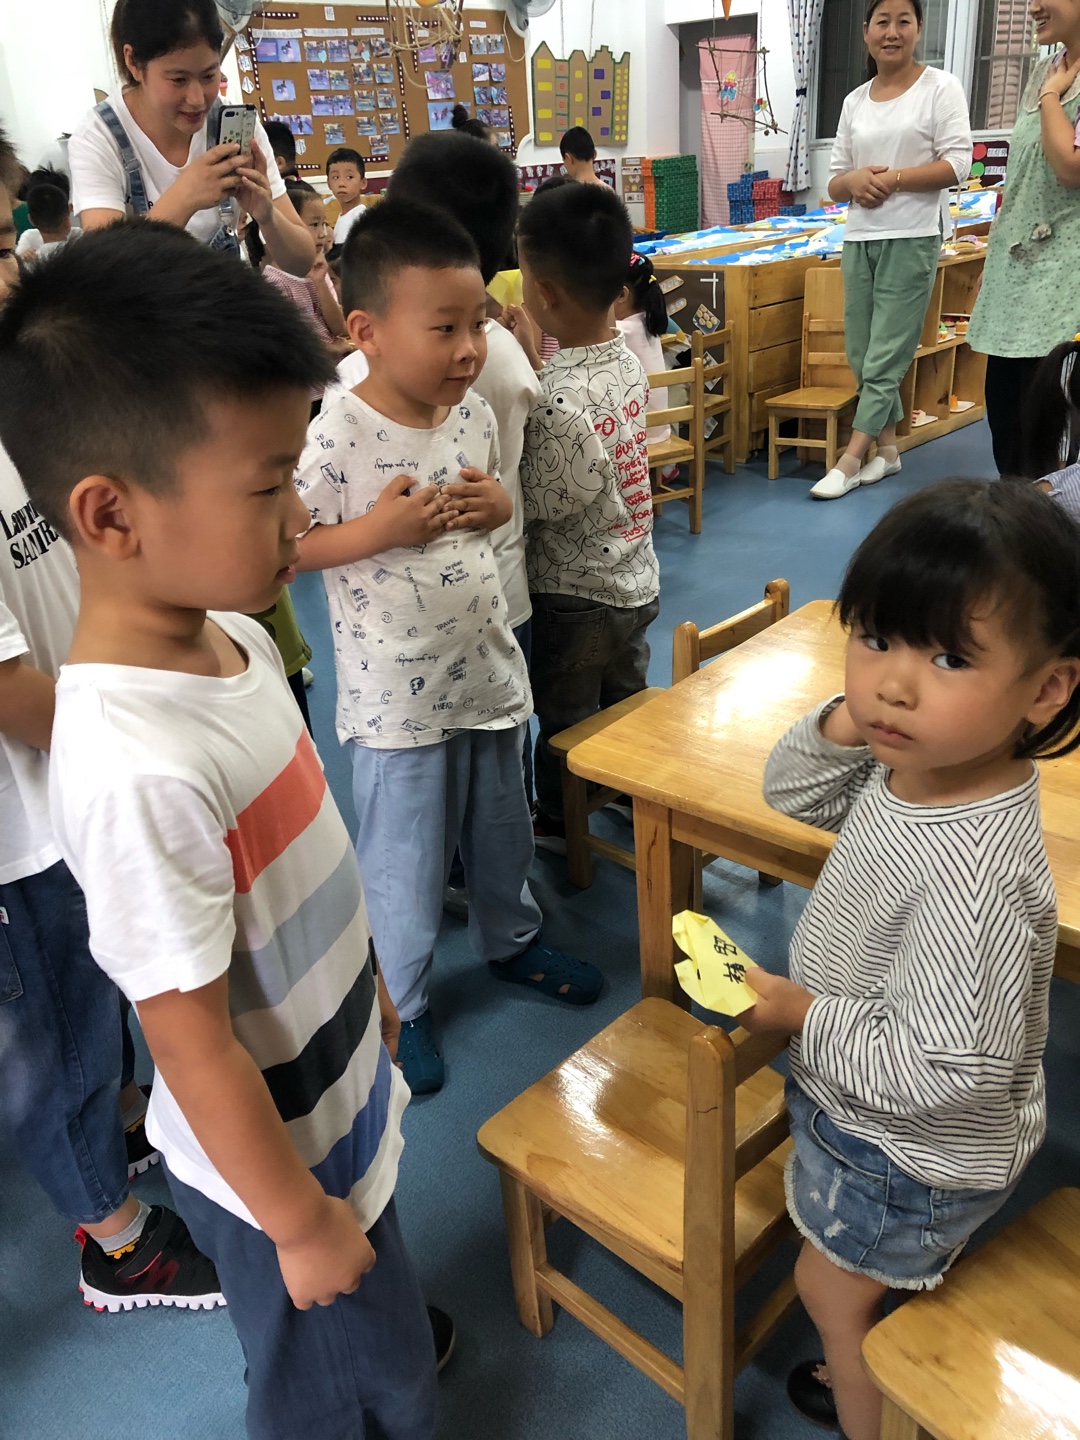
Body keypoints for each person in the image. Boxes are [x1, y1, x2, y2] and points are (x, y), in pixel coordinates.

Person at [0, 220, 442, 1438]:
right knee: (342, 1391)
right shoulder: (132, 768)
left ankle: (378, 1342)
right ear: (111, 516)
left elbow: (299, 865)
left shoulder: (238, 638)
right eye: (266, 485)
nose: (299, 511)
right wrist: (298, 1224)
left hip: (331, 1094)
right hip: (276, 1167)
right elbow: (188, 1044)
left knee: (376, 1329)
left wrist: (364, 984)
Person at [744, 479, 1080, 1440]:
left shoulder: (975, 879)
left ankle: (872, 1413)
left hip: (906, 1153)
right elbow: (790, 788)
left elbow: (944, 1073)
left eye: (949, 657)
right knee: (845, 1278)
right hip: (879, 1114)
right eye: (877, 639)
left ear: (1047, 690)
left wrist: (802, 1016)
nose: (894, 684)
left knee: (828, 1290)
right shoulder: (918, 768)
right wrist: (851, 722)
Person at [295, 199, 602, 1096]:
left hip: (489, 671)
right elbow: (287, 547)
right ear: (368, 332)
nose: (471, 348)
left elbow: (495, 500)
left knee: (502, 831)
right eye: (445, 328)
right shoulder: (338, 431)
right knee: (406, 859)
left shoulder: (468, 412)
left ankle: (511, 939)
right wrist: (376, 531)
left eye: (477, 323)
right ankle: (405, 996)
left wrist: (499, 505)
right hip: (398, 701)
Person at [0, 126, 221, 1314]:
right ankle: (113, 1237)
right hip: (22, 823)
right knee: (49, 1027)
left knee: (96, 989)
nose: (7, 272)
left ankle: (113, 1122)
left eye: (1, 242)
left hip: (67, 771)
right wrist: (128, 735)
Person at [516, 180, 659, 850]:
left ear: (544, 292)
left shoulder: (555, 396)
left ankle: (557, 819)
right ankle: (625, 787)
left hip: (576, 594)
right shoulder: (626, 359)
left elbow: (546, 503)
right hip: (638, 576)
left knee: (566, 719)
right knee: (626, 699)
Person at [811, 0, 972, 501]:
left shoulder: (940, 87)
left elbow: (958, 165)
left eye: (904, 21)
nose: (892, 32)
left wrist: (895, 179)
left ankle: (850, 457)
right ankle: (888, 449)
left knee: (886, 353)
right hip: (859, 237)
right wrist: (854, 181)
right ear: (866, 32)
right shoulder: (855, 101)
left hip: (913, 235)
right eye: (882, 22)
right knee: (862, 352)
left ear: (919, 28)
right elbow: (834, 180)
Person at [68, 0, 314, 276]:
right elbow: (105, 274)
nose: (197, 99)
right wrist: (185, 197)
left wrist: (267, 215)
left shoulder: (236, 125)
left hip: (226, 298)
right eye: (178, 80)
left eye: (209, 75)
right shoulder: (99, 138)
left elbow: (302, 262)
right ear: (133, 62)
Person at [969, 2, 1080, 475]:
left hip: (1065, 284)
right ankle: (1018, 515)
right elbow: (1021, 177)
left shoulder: (1050, 84)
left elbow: (1070, 167)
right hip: (1017, 280)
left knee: (1049, 435)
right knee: (1006, 423)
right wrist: (993, 263)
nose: (1032, 6)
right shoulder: (1045, 69)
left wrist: (1053, 96)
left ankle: (1046, 519)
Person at [614, 251, 671, 446]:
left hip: (640, 438)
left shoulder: (621, 330)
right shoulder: (647, 321)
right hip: (661, 431)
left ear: (622, 295)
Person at [15, 169, 79, 261]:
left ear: (31, 219)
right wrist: (23, 256)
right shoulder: (78, 236)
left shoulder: (29, 237)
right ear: (70, 209)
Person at [328, 146, 368, 248]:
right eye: (335, 177)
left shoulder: (361, 218)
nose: (341, 183)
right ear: (329, 183)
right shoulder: (342, 217)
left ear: (363, 183)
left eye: (349, 177)